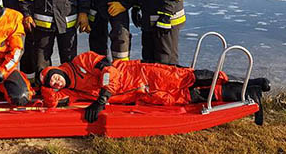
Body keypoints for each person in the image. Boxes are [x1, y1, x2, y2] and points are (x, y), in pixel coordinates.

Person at [40, 51, 270, 125]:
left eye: (54, 78)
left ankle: (251, 83)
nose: (55, 83)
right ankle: (249, 94)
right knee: (188, 96)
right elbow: (51, 100)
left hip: (142, 74)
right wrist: (37, 86)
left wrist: (102, 98)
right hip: (142, 94)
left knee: (187, 77)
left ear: (57, 70)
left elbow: (111, 71)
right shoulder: (70, 91)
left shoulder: (82, 61)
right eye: (52, 84)